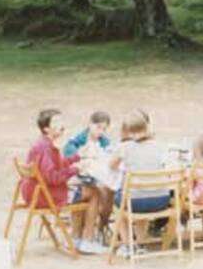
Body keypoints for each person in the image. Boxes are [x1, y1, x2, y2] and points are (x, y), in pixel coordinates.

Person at [21, 109, 106, 254]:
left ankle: (76, 238)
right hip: (46, 196)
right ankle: (87, 240)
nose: (62, 125)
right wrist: (75, 170)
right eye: (57, 122)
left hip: (36, 192)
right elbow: (53, 177)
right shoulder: (45, 148)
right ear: (46, 129)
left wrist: (76, 158)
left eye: (61, 121)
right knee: (94, 193)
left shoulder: (44, 144)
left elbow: (58, 165)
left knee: (81, 191)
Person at [109, 110, 169, 256]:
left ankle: (127, 245)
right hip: (161, 200)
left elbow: (111, 165)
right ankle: (141, 244)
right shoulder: (159, 146)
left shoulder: (125, 147)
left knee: (120, 204)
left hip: (136, 201)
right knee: (143, 192)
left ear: (128, 131)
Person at [63, 111, 115, 239]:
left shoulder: (105, 142)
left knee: (109, 191)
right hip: (78, 179)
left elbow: (109, 157)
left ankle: (102, 225)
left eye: (104, 128)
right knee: (97, 192)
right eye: (98, 127)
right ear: (90, 124)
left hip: (97, 176)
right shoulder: (77, 141)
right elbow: (70, 158)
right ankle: (85, 232)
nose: (100, 131)